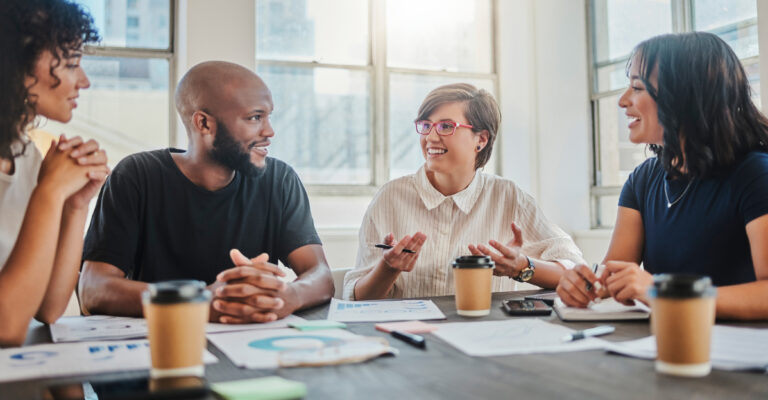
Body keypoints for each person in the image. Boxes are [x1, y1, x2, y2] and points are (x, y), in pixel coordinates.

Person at [79, 61, 334, 323]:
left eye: (268, 117)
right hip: (163, 346)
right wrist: (197, 301)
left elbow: (320, 275)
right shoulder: (136, 176)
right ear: (203, 124)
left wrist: (288, 295)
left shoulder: (280, 180)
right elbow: (93, 289)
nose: (269, 131)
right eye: (255, 118)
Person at [556, 32, 768, 320]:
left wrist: (664, 290)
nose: (622, 100)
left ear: (684, 96)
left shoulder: (756, 174)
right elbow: (611, 274)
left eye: (637, 88)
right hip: (665, 342)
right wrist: (583, 284)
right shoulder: (642, 179)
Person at [344, 83, 584, 300]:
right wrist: (388, 269)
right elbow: (358, 298)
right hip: (407, 337)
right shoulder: (390, 198)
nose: (430, 136)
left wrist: (521, 267)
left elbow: (574, 270)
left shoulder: (509, 197)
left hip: (484, 337)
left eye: (446, 126)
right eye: (426, 125)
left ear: (481, 139)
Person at [0, 0, 109, 346]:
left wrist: (74, 204)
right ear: (15, 61)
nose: (84, 81)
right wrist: (48, 192)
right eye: (73, 62)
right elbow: (7, 327)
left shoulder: (27, 154)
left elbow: (48, 307)